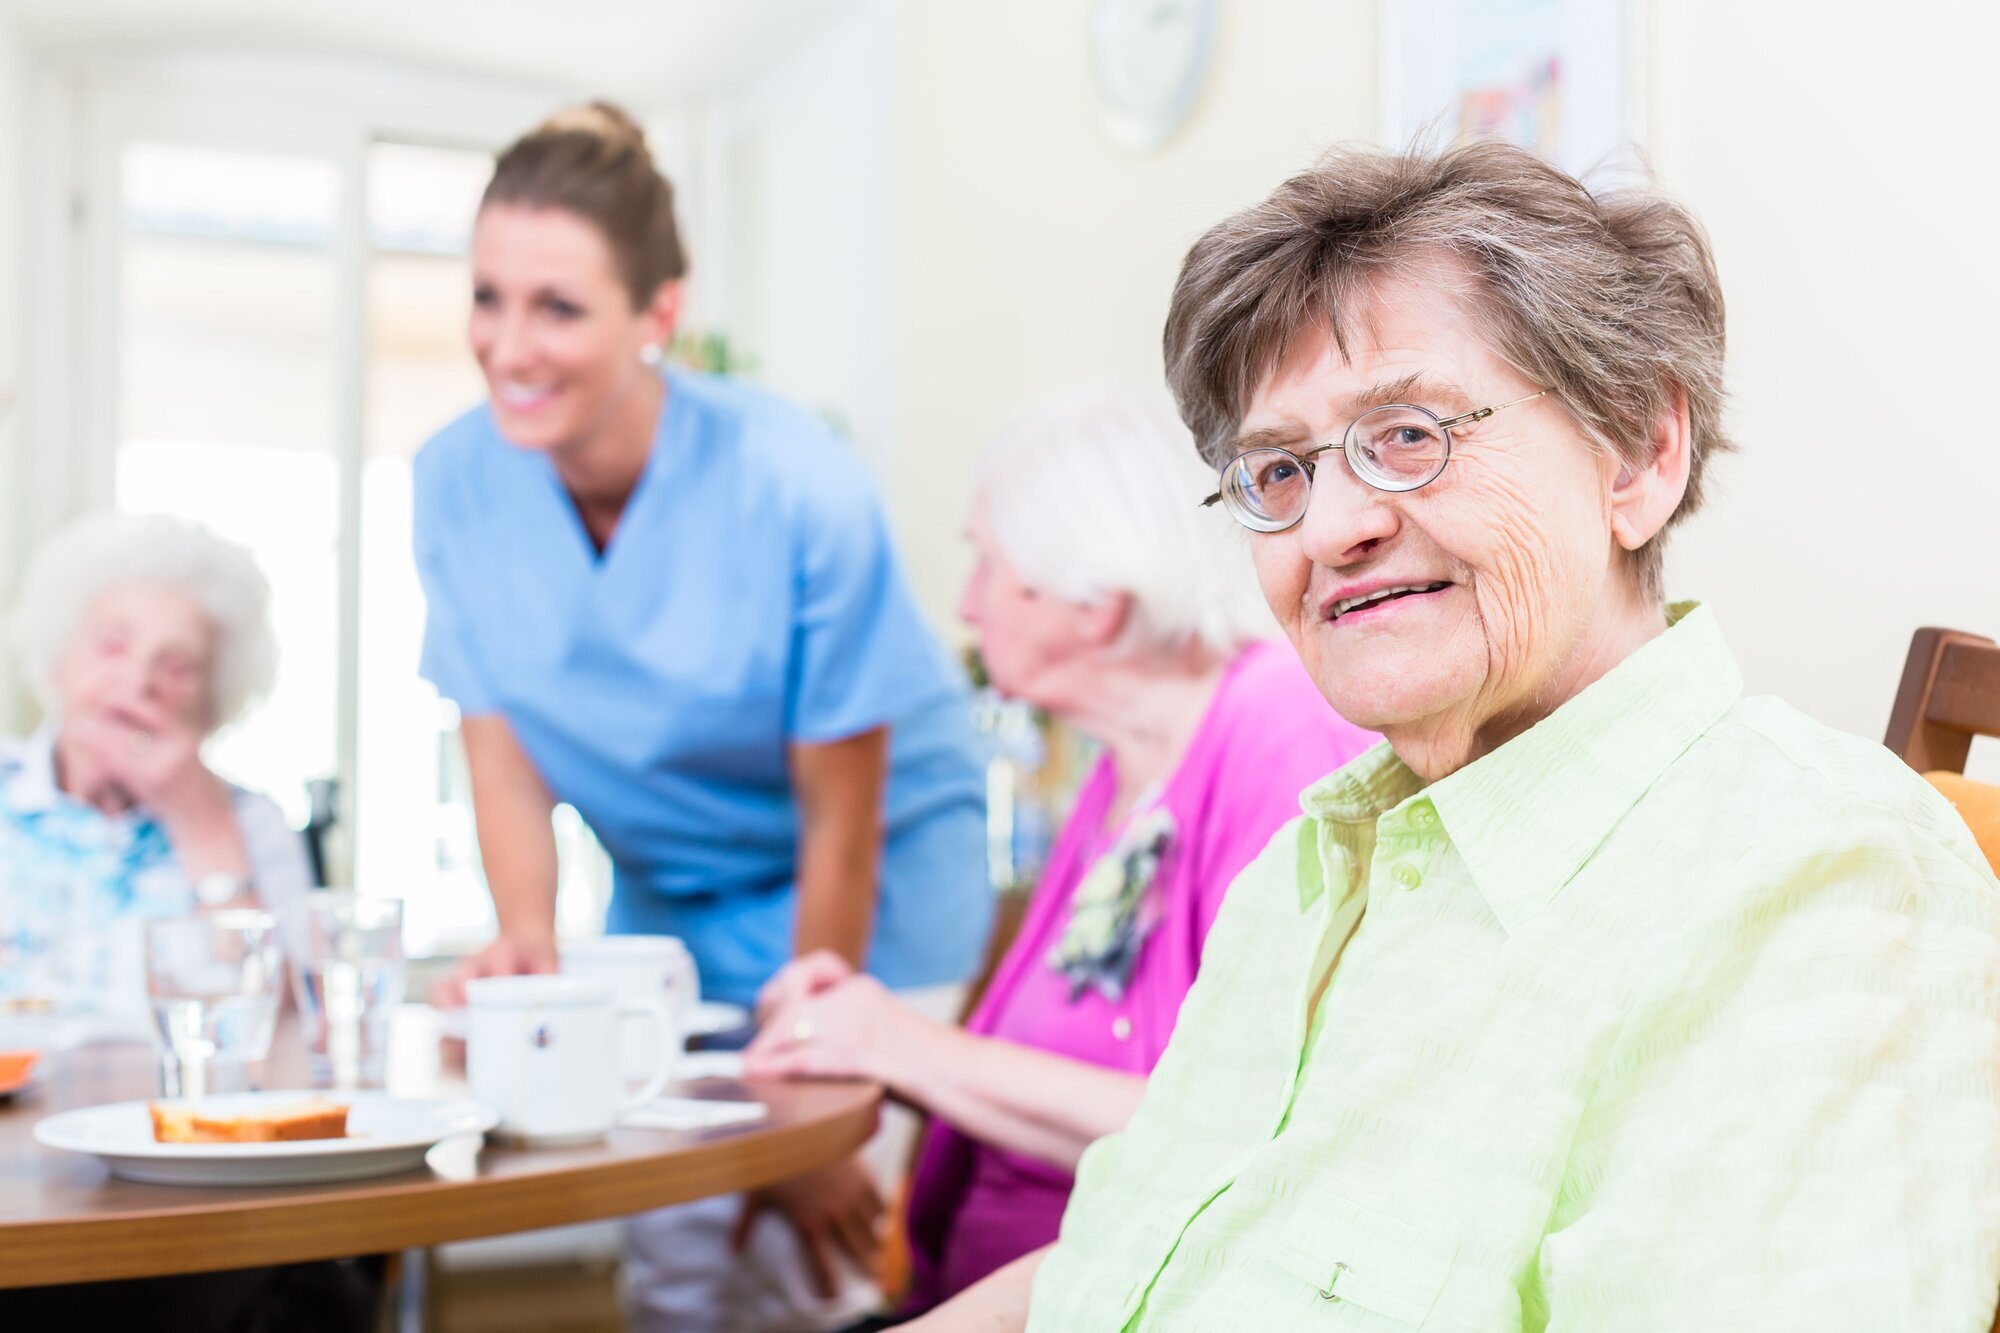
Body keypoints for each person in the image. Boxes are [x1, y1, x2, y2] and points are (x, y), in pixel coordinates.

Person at [912, 142, 2000, 1331]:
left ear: (1638, 449)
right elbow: (1113, 1271)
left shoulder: (1819, 878)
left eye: (1408, 432)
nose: (1327, 526)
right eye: (1275, 471)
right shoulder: (1297, 876)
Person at [412, 102, 990, 1331]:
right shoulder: (454, 479)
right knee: (675, 1243)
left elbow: (843, 819)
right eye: (487, 297)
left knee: (814, 1250)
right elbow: (499, 737)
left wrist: (805, 1102)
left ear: (656, 316)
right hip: (669, 898)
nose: (508, 345)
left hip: (870, 886)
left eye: (557, 307)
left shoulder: (794, 484)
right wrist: (525, 932)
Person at [745, 388, 1378, 1320]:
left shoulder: (1275, 728)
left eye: (989, 564)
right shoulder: (1123, 766)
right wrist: (862, 1037)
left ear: (1098, 605)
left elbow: (1254, 1132)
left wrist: (898, 1043)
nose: (966, 602)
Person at [1, 511, 312, 1029]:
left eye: (177, 668)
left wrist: (203, 827)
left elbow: (283, 1029)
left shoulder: (253, 822)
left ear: (211, 708)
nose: (138, 679)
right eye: (112, 646)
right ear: (59, 662)